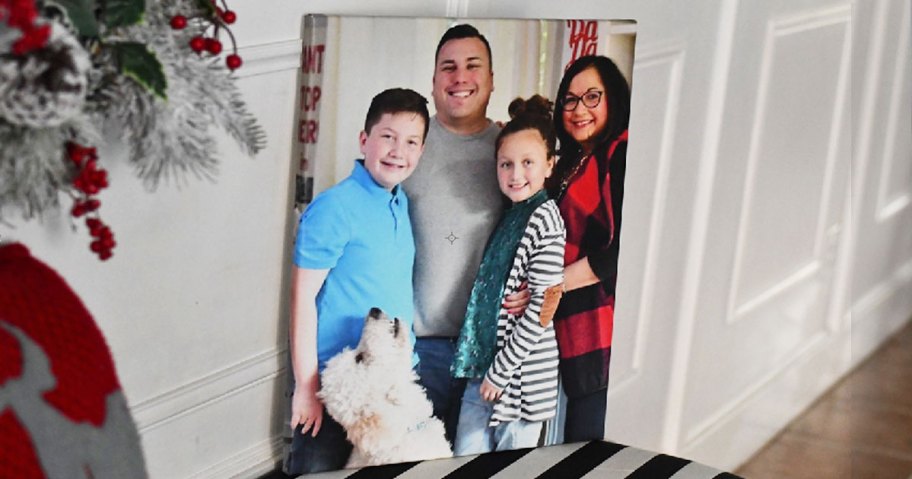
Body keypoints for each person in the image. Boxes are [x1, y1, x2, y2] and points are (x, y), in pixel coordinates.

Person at [284, 88, 429, 475]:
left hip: (388, 387)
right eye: (388, 136)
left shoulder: (402, 202)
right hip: (334, 390)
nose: (399, 150)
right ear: (365, 140)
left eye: (411, 142)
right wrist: (305, 387)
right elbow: (301, 300)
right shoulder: (334, 207)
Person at [403, 23, 530, 443]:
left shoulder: (509, 152)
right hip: (420, 349)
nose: (460, 77)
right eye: (448, 67)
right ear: (434, 80)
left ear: (491, 80)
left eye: (473, 66)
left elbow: (539, 229)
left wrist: (539, 288)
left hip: (491, 351)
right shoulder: (409, 143)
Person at [450, 96, 566, 455]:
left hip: (518, 383)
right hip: (483, 370)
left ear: (549, 165)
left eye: (527, 163)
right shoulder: (512, 213)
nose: (516, 175)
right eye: (506, 164)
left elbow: (541, 310)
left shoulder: (546, 218)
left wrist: (500, 372)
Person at [548, 55, 631, 443]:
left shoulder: (621, 152)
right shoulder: (569, 162)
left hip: (601, 331)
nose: (579, 109)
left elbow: (624, 248)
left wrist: (552, 283)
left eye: (592, 97)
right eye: (570, 99)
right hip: (564, 326)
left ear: (613, 98)